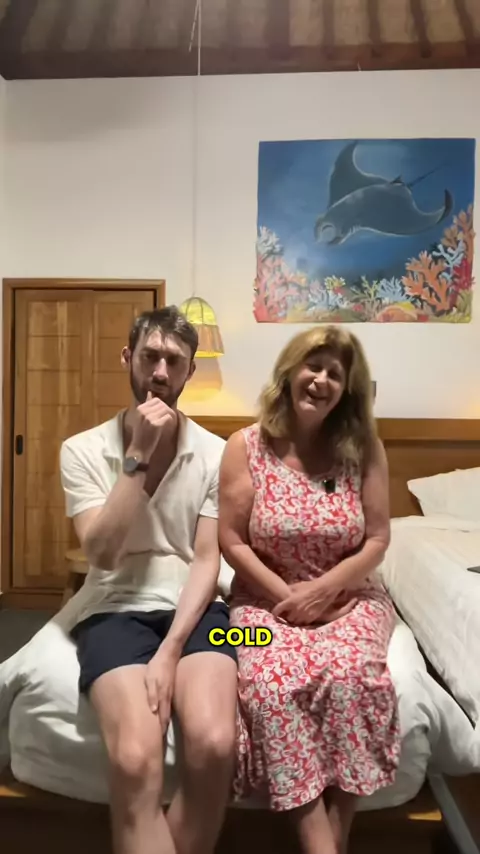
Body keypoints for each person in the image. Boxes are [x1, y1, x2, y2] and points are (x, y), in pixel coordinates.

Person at [60, 306, 237, 854]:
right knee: (136, 758)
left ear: (189, 372)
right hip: (113, 606)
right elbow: (102, 552)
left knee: (215, 744)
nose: (160, 372)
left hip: (203, 611)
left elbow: (207, 561)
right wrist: (137, 454)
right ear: (128, 358)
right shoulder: (82, 450)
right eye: (150, 356)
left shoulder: (218, 453)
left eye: (174, 361)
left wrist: (170, 650)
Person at [218, 326, 401, 854]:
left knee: (354, 678)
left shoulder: (363, 448)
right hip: (259, 603)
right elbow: (231, 539)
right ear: (289, 372)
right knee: (267, 686)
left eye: (334, 374)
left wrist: (323, 591)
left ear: (346, 389)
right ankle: (321, 842)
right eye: (312, 366)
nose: (321, 380)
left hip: (352, 599)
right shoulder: (244, 446)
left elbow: (378, 538)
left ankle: (331, 838)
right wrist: (289, 597)